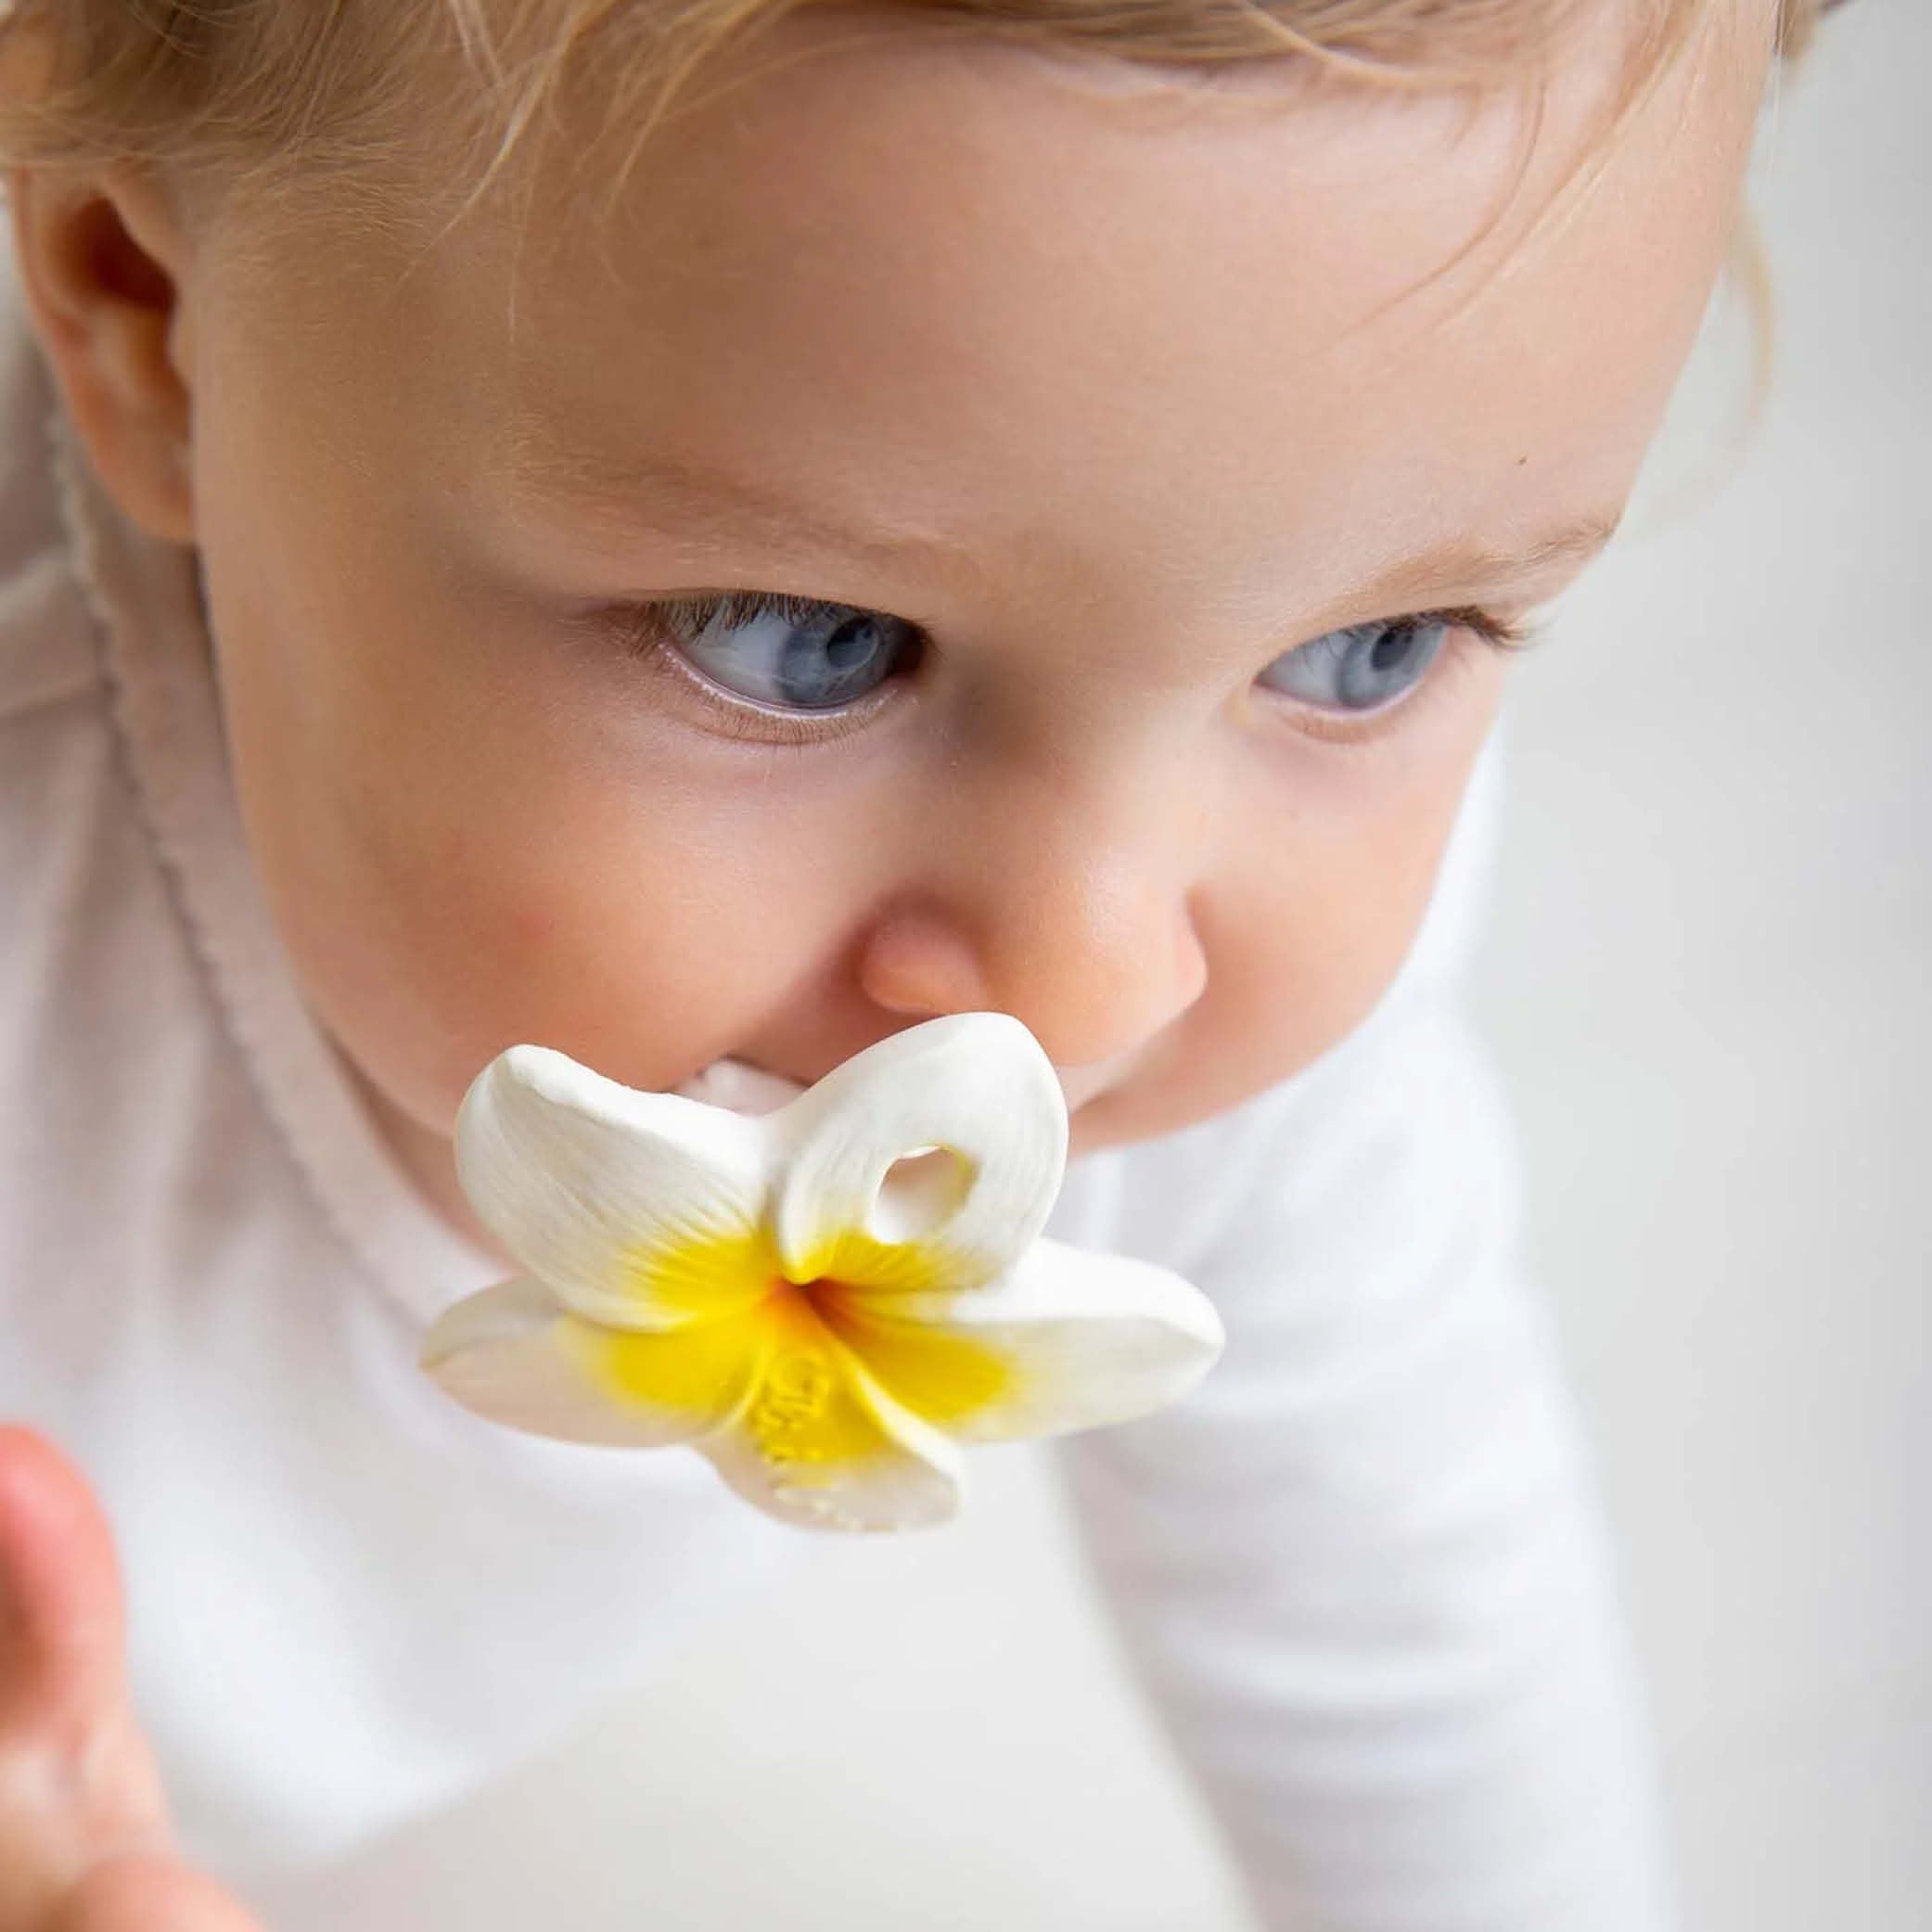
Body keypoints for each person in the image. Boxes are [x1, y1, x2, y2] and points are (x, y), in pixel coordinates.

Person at [0, 0, 1835, 1926]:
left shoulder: (1212, 887)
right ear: (147, 313)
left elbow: (1398, 1594)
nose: (1088, 985)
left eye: (1373, 652)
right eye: (799, 638)